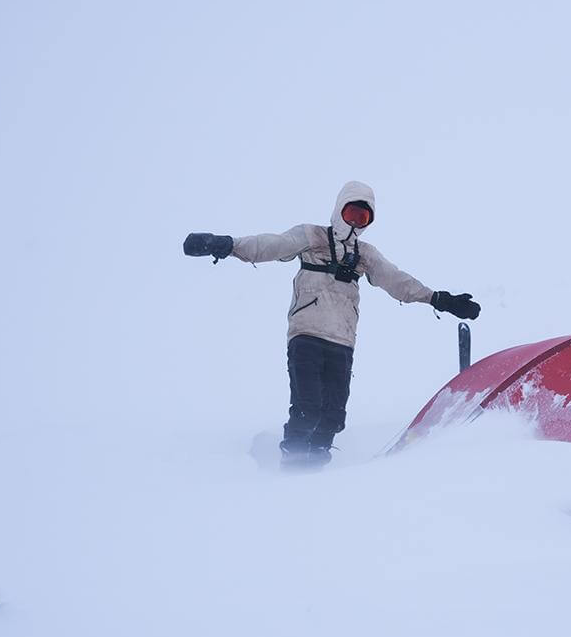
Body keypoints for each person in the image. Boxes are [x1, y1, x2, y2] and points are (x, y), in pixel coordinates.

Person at [183, 181, 480, 469]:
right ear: (339, 210)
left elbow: (397, 281)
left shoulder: (365, 255)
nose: (355, 223)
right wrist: (227, 245)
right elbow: (270, 245)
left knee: (334, 417)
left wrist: (439, 299)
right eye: (351, 214)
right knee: (308, 407)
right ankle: (292, 461)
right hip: (306, 335)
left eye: (363, 218)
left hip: (342, 343)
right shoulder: (311, 236)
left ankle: (316, 469)